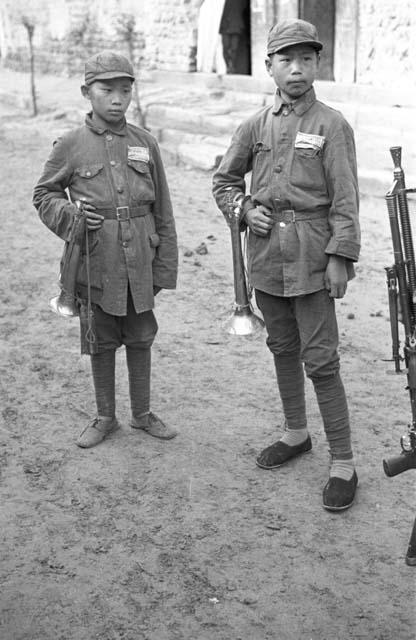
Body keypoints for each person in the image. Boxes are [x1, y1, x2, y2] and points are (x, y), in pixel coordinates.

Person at [212, 20, 360, 511]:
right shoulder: (255, 124)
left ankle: (343, 462)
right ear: (270, 66)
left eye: (306, 59)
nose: (297, 69)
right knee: (282, 348)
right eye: (286, 60)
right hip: (266, 258)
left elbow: (345, 200)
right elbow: (225, 182)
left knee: (321, 360)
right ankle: (296, 433)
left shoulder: (332, 125)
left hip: (313, 259)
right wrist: (243, 209)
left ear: (317, 64)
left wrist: (340, 258)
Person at [33, 50, 178, 448]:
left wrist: (164, 268)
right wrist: (71, 217)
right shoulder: (70, 145)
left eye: (125, 90)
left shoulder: (145, 143)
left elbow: (162, 208)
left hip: (140, 260)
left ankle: (143, 414)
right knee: (100, 335)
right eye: (106, 89)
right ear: (87, 92)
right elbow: (44, 195)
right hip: (97, 259)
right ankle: (105, 416)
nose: (117, 98)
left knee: (141, 333)